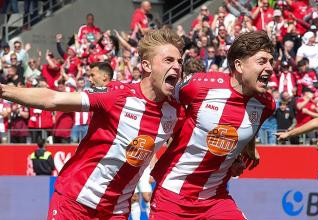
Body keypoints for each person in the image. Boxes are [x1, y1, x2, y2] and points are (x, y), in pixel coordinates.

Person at [0, 28, 185, 219]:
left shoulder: (175, 111)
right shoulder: (116, 96)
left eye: (179, 61)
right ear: (146, 66)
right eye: (168, 60)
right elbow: (53, 99)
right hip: (75, 203)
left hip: (116, 211)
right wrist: (3, 90)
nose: (177, 66)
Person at [149, 30, 276, 219]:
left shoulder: (266, 104)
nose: (270, 68)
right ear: (239, 65)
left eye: (271, 62)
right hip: (172, 195)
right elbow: (158, 99)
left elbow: (242, 126)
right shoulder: (200, 85)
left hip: (215, 199)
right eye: (262, 61)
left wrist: (245, 150)